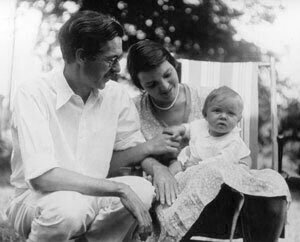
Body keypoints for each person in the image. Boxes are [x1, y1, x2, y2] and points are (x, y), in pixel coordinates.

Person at [6, 11, 161, 242]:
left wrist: (158, 167)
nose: (118, 69)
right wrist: (119, 189)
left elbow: (132, 147)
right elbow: (42, 178)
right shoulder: (33, 93)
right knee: (69, 209)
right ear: (81, 56)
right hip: (37, 199)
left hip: (93, 196)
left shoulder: (116, 96)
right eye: (111, 59)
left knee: (142, 189)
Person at [126, 39, 290, 242]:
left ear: (175, 65)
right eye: (151, 84)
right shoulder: (134, 110)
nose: (165, 86)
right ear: (140, 85)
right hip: (168, 196)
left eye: (168, 75)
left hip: (221, 197)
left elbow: (237, 153)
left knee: (273, 186)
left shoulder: (211, 100)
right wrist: (155, 166)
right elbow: (127, 150)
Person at [167, 86, 250, 176]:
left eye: (230, 113)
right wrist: (180, 129)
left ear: (238, 119)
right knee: (176, 165)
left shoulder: (233, 141)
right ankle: (169, 179)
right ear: (205, 114)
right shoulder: (201, 125)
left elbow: (222, 161)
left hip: (217, 173)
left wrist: (198, 166)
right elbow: (190, 128)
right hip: (188, 165)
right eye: (217, 111)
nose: (223, 116)